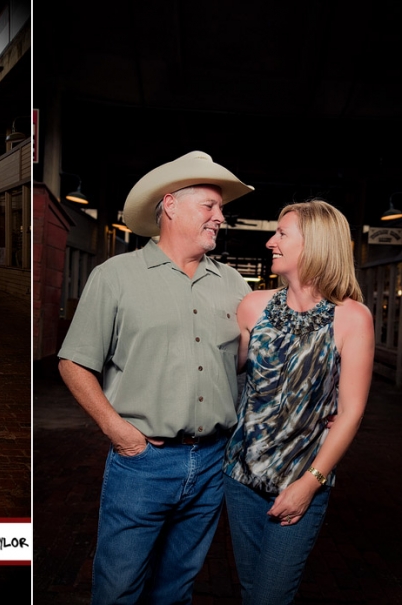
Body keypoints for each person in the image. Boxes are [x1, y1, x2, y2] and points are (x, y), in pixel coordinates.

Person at [58, 151, 254, 604]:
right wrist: (119, 432)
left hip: (211, 462)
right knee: (119, 590)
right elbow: (73, 362)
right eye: (210, 206)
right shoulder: (116, 276)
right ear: (170, 205)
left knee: (176, 590)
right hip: (143, 461)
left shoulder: (234, 285)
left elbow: (247, 364)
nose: (220, 218)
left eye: (220, 209)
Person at [223, 200, 374, 604]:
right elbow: (221, 374)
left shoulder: (352, 317)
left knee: (271, 595)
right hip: (239, 477)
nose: (271, 241)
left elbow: (352, 411)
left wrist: (310, 484)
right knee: (252, 591)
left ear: (316, 245)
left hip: (302, 479)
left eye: (282, 233)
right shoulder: (253, 306)